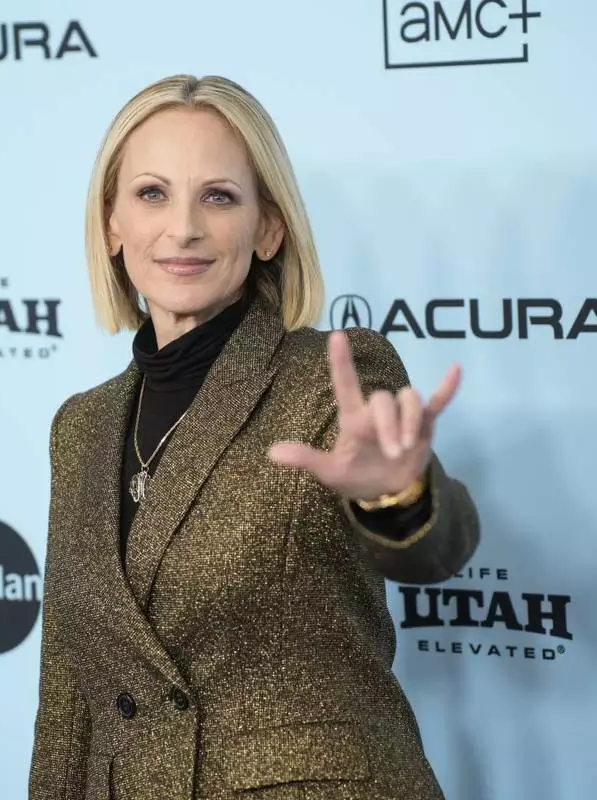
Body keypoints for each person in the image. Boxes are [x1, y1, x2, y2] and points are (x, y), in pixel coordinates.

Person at [29, 74, 481, 800]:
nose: (182, 228)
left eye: (219, 196)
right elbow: (69, 698)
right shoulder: (80, 427)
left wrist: (400, 493)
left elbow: (440, 547)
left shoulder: (331, 377)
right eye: (151, 194)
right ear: (111, 224)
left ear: (269, 227)